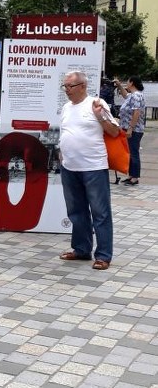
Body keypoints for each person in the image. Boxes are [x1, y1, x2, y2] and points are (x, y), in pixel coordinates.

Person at [58, 70, 119, 270]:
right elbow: (66, 131)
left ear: (83, 86)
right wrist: (61, 150)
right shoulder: (66, 107)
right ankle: (82, 249)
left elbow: (115, 131)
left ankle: (103, 255)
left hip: (93, 167)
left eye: (70, 86)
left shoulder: (97, 104)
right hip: (69, 167)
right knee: (76, 211)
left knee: (100, 212)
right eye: (65, 86)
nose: (67, 90)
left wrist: (100, 117)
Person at [115, 75, 146, 185]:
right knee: (130, 152)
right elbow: (125, 95)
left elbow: (136, 112)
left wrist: (130, 128)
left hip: (134, 129)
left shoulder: (136, 95)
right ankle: (131, 175)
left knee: (133, 152)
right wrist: (119, 85)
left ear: (132, 83)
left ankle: (135, 177)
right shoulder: (132, 95)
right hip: (129, 128)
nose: (126, 83)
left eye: (127, 81)